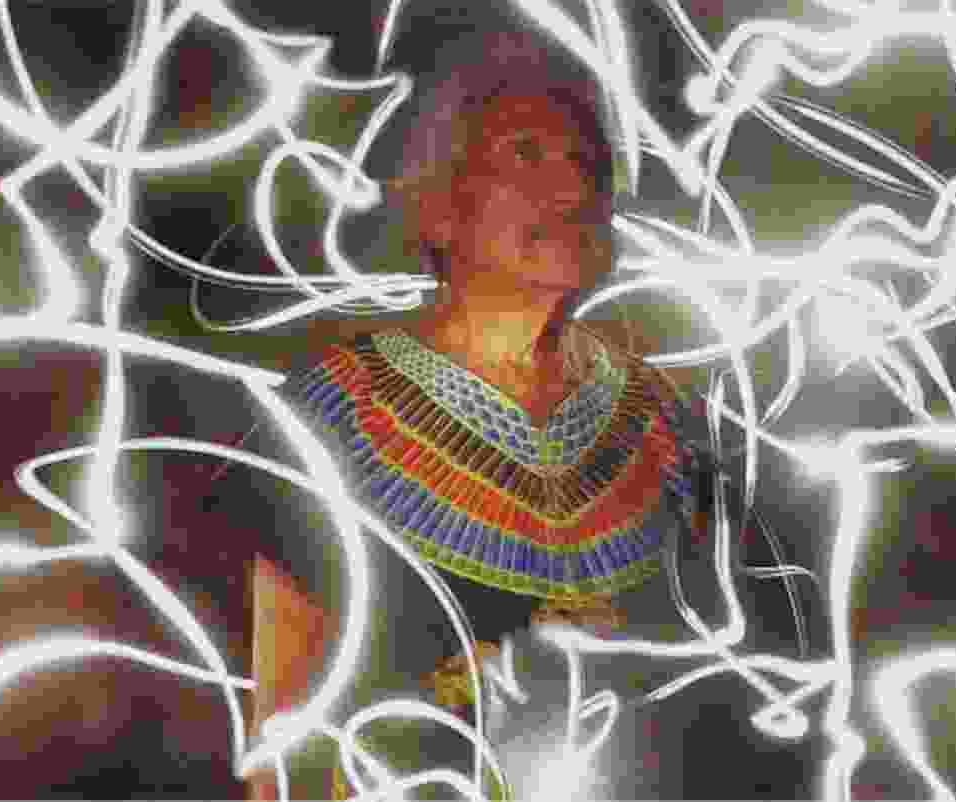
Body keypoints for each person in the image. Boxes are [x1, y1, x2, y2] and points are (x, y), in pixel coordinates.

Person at [251, 26, 713, 801]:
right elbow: (274, 722)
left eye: (586, 165)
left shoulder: (668, 427)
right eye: (525, 156)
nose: (569, 190)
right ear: (435, 207)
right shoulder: (329, 417)